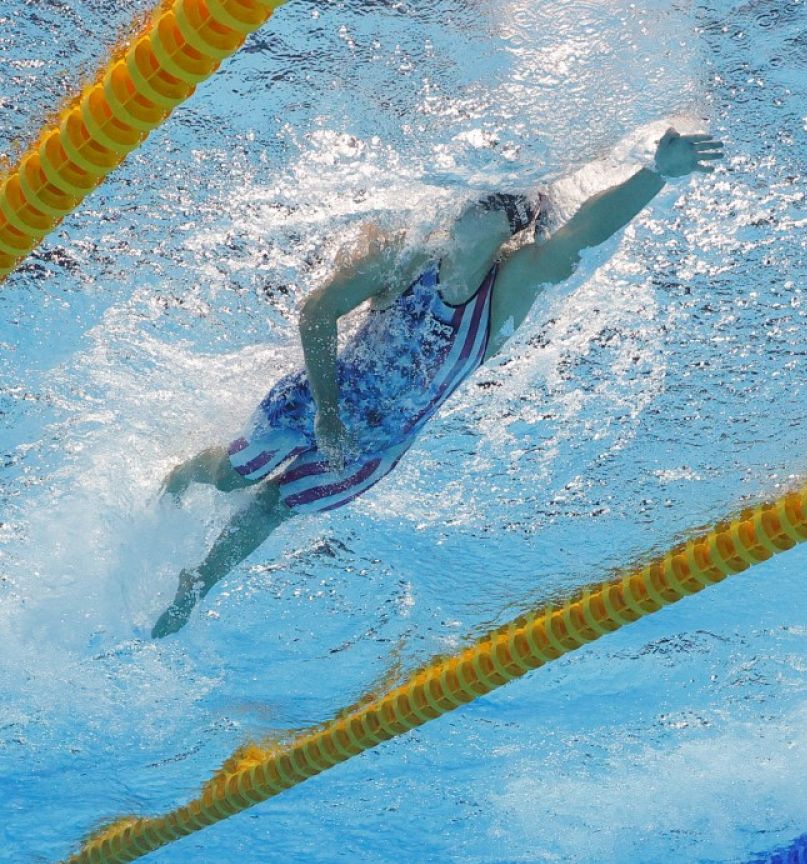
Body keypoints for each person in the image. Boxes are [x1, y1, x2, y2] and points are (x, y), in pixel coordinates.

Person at [153, 129, 724, 637]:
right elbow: (316, 314)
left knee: (273, 507)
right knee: (233, 475)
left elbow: (581, 234)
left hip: (373, 448)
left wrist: (655, 174)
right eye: (476, 205)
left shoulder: (505, 294)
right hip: (316, 396)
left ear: (507, 233)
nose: (474, 218)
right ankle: (187, 472)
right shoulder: (405, 261)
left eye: (495, 211)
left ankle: (197, 584)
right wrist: (326, 414)